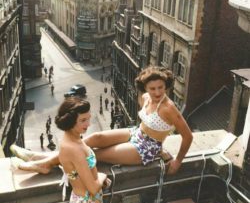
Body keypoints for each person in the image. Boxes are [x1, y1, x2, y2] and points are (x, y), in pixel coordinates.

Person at [10, 66, 193, 175]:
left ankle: (44, 163)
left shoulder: (169, 108)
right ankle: (40, 157)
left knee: (94, 155)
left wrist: (177, 161)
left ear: (166, 86)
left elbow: (188, 136)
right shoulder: (145, 97)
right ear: (145, 87)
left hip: (146, 149)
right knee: (93, 138)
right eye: (152, 88)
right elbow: (145, 114)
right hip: (136, 133)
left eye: (161, 87)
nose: (157, 92)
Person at [56, 97, 136, 203]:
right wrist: (101, 176)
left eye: (88, 118)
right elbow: (93, 188)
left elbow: (81, 173)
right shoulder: (73, 148)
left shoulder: (74, 139)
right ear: (70, 121)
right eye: (83, 120)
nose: (88, 124)